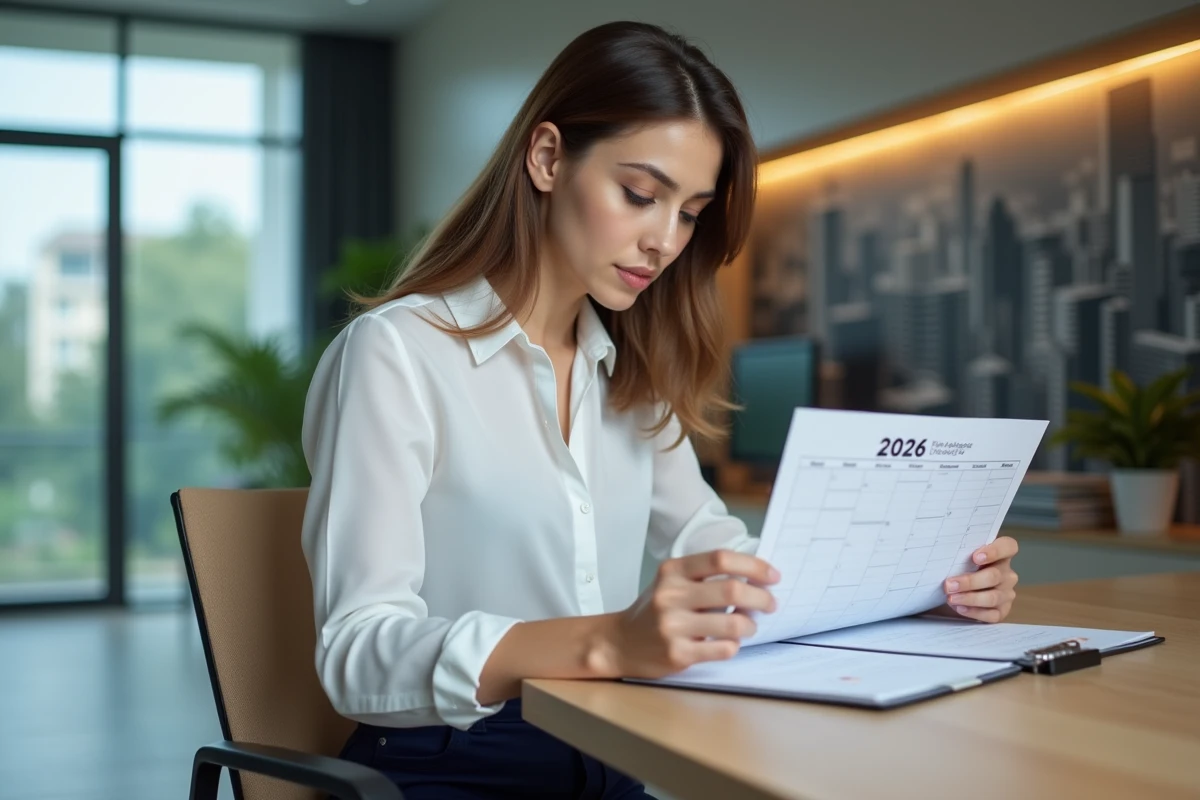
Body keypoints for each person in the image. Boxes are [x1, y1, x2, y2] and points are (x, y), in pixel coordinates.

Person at [300, 20, 1021, 799]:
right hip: (453, 763)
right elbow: (357, 652)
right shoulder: (396, 354)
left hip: (612, 746)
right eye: (640, 195)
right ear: (546, 158)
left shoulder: (630, 371)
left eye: (689, 212)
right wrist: (611, 641)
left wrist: (925, 588)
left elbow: (719, 549)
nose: (664, 241)